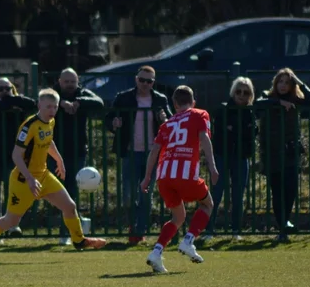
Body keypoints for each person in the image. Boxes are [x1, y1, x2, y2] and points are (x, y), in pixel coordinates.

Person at [0, 88, 108, 263]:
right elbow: (16, 155)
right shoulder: (29, 125)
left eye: (55, 107)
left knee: (70, 206)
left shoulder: (51, 122)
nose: (52, 110)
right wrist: (30, 179)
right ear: (39, 105)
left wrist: (59, 160)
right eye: (48, 106)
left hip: (43, 175)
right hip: (23, 179)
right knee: (11, 220)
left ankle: (79, 241)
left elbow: (48, 141)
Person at [138, 85, 220, 274]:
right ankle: (188, 240)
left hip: (164, 176)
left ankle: (156, 253)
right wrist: (213, 166)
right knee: (207, 204)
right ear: (193, 101)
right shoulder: (199, 114)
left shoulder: (166, 124)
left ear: (174, 104)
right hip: (184, 173)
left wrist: (147, 177)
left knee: (178, 216)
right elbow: (204, 138)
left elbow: (154, 151)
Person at [104, 65, 171, 245]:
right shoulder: (123, 98)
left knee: (145, 195)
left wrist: (164, 120)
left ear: (153, 83)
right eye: (142, 80)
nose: (144, 83)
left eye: (149, 81)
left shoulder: (160, 99)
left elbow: (171, 123)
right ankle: (133, 226)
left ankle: (139, 231)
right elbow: (108, 119)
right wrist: (114, 123)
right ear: (136, 79)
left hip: (153, 153)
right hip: (130, 152)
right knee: (128, 194)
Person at [257, 68, 310, 242]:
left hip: (290, 150)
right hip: (273, 152)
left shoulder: (296, 99)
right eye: (280, 82)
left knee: (290, 189)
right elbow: (259, 102)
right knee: (277, 191)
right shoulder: (268, 97)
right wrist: (278, 103)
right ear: (275, 83)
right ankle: (282, 226)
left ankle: (284, 223)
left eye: (287, 82)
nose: (283, 85)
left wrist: (299, 81)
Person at [201, 77, 257, 242]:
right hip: (222, 156)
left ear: (250, 95)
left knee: (238, 195)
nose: (241, 95)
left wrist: (234, 130)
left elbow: (251, 134)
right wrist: (239, 131)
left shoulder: (250, 112)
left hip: (241, 157)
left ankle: (235, 231)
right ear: (233, 92)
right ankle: (209, 230)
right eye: (238, 91)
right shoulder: (223, 110)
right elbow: (220, 133)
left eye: (245, 92)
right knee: (216, 194)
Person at [0, 78, 37, 233]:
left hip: (14, 157)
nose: (4, 91)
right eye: (0, 89)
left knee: (14, 192)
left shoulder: (20, 102)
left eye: (7, 88)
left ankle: (12, 225)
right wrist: (10, 102)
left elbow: (34, 105)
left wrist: (13, 99)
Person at [52, 67, 105, 244]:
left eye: (72, 82)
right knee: (55, 193)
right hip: (53, 152)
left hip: (77, 151)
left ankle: (66, 233)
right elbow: (37, 100)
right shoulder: (52, 94)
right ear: (60, 81)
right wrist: (60, 103)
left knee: (70, 192)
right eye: (66, 81)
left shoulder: (82, 94)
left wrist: (78, 102)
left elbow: (99, 102)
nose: (69, 85)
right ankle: (74, 224)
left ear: (77, 82)